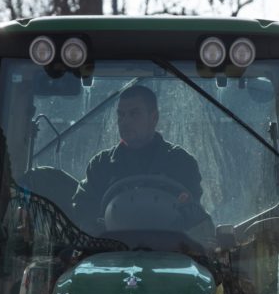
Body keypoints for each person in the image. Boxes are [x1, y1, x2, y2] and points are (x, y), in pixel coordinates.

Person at [72, 85, 206, 235]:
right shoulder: (100, 166)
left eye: (134, 114)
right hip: (113, 247)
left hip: (170, 246)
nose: (125, 121)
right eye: (121, 115)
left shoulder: (182, 163)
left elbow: (193, 215)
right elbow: (84, 212)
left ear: (154, 118)